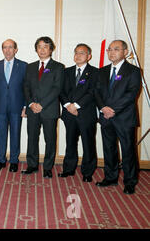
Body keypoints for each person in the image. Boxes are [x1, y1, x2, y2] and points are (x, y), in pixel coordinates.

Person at [94, 40, 141, 195]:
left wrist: (113, 109)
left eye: (116, 49)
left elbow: (131, 94)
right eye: (110, 49)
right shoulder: (102, 71)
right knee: (109, 148)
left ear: (125, 52)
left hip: (124, 117)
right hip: (106, 117)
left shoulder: (133, 71)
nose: (111, 52)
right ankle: (111, 177)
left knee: (128, 150)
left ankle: (130, 182)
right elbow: (97, 93)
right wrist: (103, 108)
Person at [22, 36, 64, 178]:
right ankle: (32, 165)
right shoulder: (30, 66)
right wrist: (31, 104)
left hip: (49, 109)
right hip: (32, 109)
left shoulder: (58, 67)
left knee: (50, 139)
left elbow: (57, 88)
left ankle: (47, 168)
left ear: (51, 49)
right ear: (36, 49)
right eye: (39, 47)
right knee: (32, 138)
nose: (42, 49)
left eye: (45, 46)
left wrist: (42, 104)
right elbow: (26, 87)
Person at [58, 43, 98, 182]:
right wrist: (69, 105)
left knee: (88, 144)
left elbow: (92, 92)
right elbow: (61, 91)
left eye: (82, 53)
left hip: (86, 114)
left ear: (89, 56)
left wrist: (77, 106)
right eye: (76, 52)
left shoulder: (95, 72)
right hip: (69, 114)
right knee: (70, 142)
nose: (78, 55)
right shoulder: (66, 71)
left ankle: (87, 172)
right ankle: (68, 169)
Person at [0, 39, 27, 172]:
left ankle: (14, 161)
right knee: (1, 134)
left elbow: (27, 88)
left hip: (17, 107)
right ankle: (1, 160)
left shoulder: (23, 66)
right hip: (0, 107)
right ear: (2, 49)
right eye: (5, 47)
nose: (8, 50)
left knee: (15, 134)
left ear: (15, 50)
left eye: (10, 47)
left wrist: (25, 106)